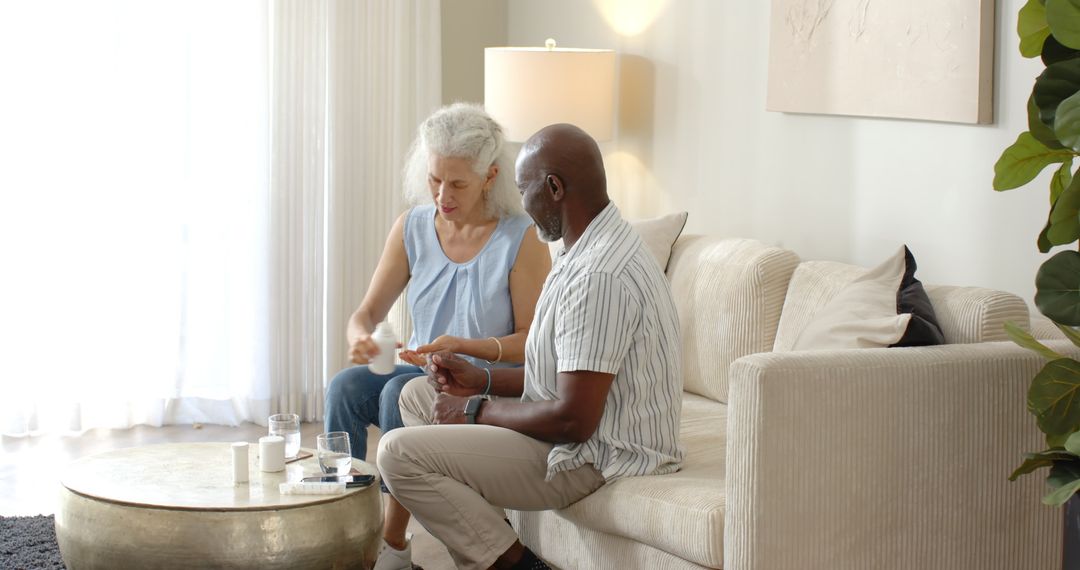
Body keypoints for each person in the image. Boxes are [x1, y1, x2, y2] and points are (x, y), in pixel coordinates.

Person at [377, 123, 685, 570]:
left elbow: (573, 420)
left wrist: (474, 409)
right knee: (416, 395)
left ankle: (518, 565)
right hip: (577, 434)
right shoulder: (583, 247)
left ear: (554, 187)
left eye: (525, 190)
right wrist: (478, 379)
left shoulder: (599, 276)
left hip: (596, 456)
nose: (520, 203)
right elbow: (564, 375)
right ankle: (486, 556)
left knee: (397, 454)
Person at [323, 103, 551, 569]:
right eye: (434, 179)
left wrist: (466, 347)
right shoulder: (413, 226)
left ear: (490, 176)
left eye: (458, 183)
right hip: (423, 368)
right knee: (345, 387)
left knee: (395, 390)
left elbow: (532, 340)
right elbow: (366, 312)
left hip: (481, 379)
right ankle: (337, 524)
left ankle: (391, 543)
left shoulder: (521, 236)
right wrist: (359, 335)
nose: (442, 194)